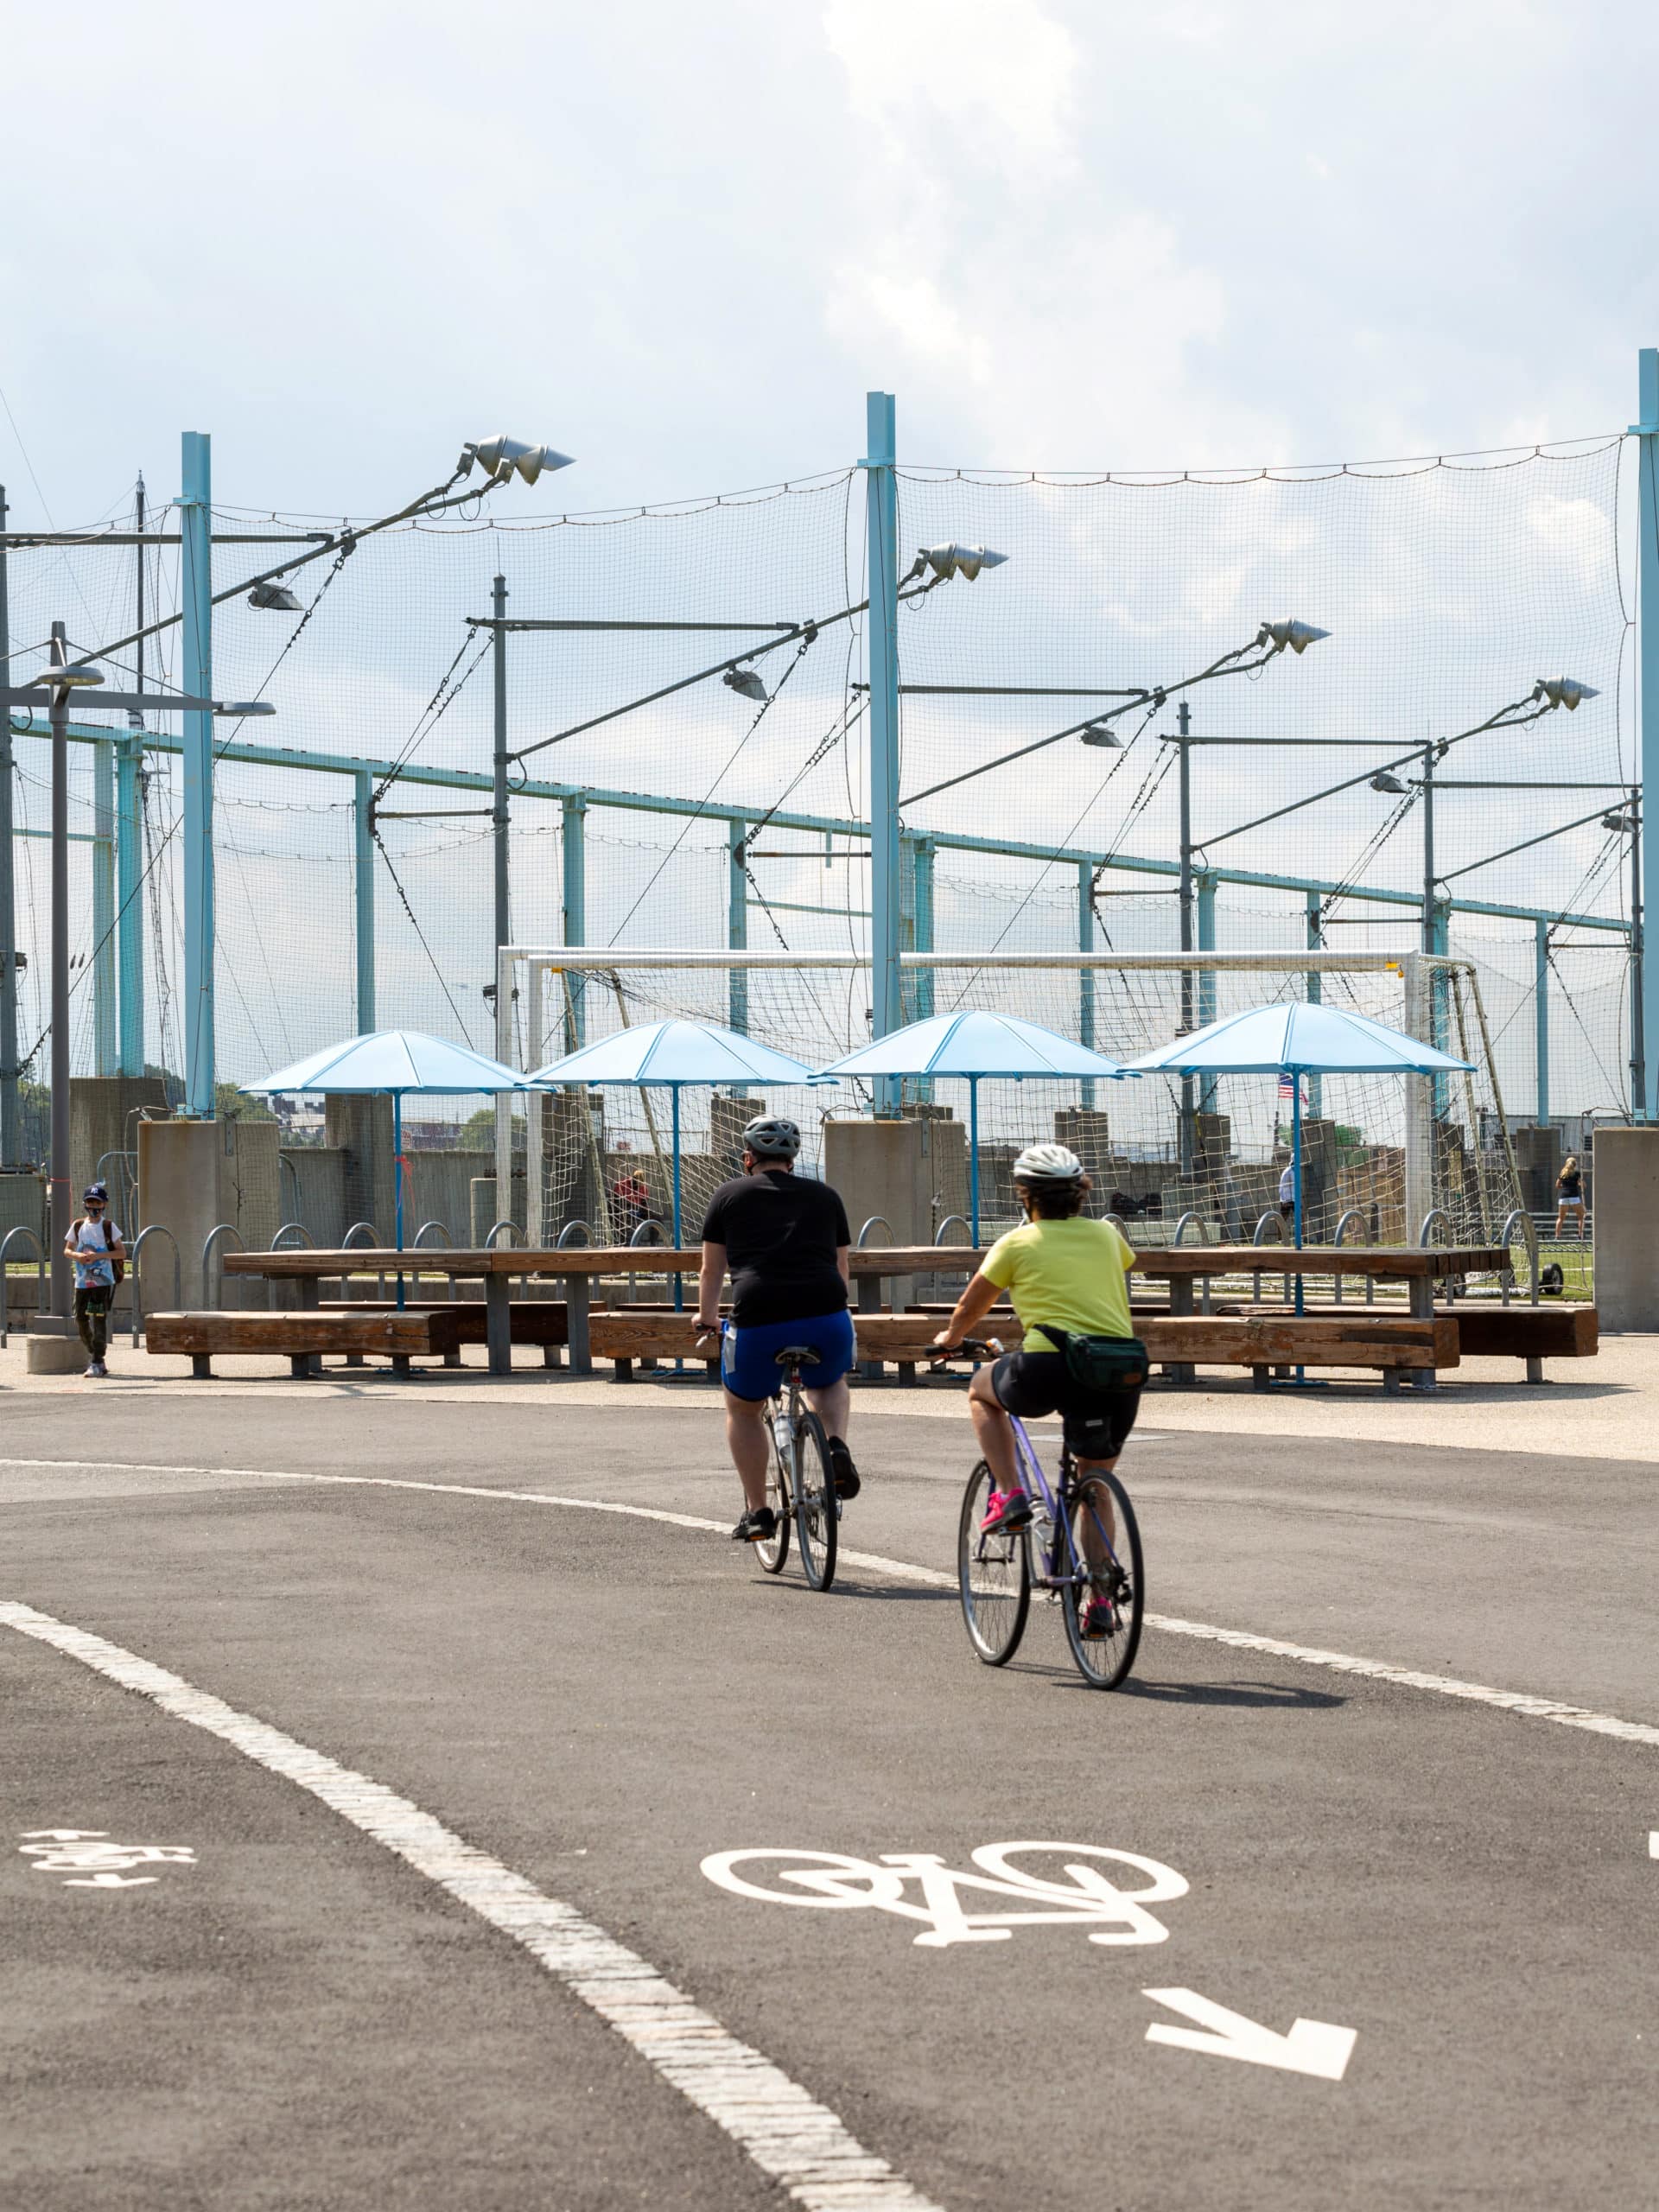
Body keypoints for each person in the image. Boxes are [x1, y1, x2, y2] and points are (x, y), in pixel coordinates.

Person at [931, 1142, 1141, 1640]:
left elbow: (970, 1307)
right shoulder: (1109, 1236)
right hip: (1116, 1368)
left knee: (982, 1394)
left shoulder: (1017, 1242)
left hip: (1048, 1364)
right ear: (1081, 1193)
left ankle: (1009, 1493)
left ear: (1024, 1195)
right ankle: (1101, 1600)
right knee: (1095, 1483)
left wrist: (949, 1340)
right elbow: (1115, 1276)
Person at [694, 1116, 860, 1545]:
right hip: (827, 1312)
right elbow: (841, 1270)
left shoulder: (727, 1195)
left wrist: (707, 1317)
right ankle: (836, 1446)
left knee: (743, 1408)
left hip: (760, 1315)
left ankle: (758, 1511)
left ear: (748, 1158)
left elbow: (712, 1270)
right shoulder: (827, 1197)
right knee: (830, 1383)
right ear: (793, 1159)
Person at [66, 1182, 124, 1378]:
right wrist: (77, 1256)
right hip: (82, 1282)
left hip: (102, 1282)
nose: (93, 1207)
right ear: (85, 1204)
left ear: (104, 1205)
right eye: (90, 1202)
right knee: (80, 1318)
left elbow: (121, 1252)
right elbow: (67, 1249)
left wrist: (100, 1256)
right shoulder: (78, 1225)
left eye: (97, 1203)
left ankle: (97, 1360)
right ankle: (94, 1353)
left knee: (99, 1319)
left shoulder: (108, 1227)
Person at [1554, 1153, 1586, 1240]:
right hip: (1574, 1197)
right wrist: (1580, 1184)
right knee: (1581, 1217)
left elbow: (1557, 1185)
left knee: (1560, 1218)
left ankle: (1557, 1236)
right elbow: (1581, 1184)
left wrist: (1565, 1187)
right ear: (1575, 1165)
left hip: (1563, 1197)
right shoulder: (1576, 1173)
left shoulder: (1562, 1173)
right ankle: (1580, 1236)